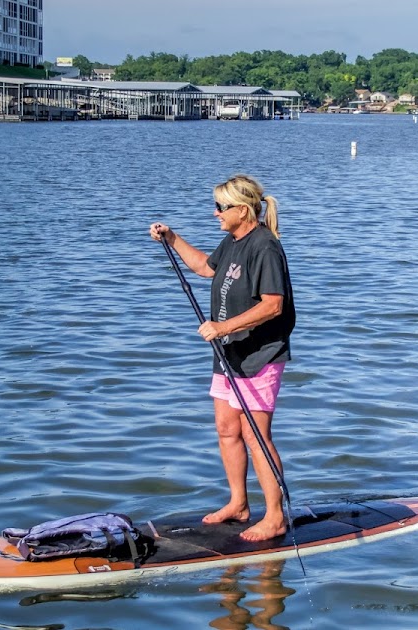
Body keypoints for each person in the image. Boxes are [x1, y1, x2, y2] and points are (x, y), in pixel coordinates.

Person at [149, 174, 295, 542]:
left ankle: (275, 516)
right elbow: (205, 268)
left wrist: (223, 325)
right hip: (229, 352)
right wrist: (172, 237)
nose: (215, 213)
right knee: (227, 429)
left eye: (220, 207)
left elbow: (273, 305)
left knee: (255, 434)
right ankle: (238, 503)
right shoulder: (232, 240)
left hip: (259, 355)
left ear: (242, 210)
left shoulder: (264, 246)